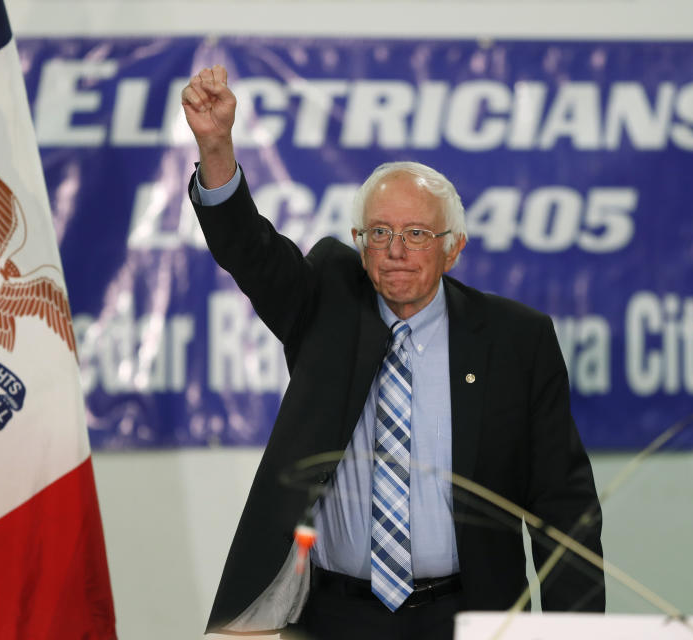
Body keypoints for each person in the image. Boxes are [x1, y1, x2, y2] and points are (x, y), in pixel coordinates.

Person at [182, 65, 604, 640]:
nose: (396, 251)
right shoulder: (326, 302)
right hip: (333, 615)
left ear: (452, 250)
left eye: (415, 235)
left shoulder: (515, 340)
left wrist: (573, 634)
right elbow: (250, 250)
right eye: (379, 233)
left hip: (467, 614)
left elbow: (563, 507)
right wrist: (216, 148)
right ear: (359, 246)